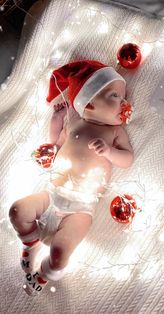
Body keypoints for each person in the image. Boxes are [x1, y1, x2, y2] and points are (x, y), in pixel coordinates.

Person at [9, 60, 134, 296]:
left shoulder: (115, 132)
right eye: (116, 96)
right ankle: (31, 242)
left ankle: (45, 274)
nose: (125, 103)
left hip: (81, 207)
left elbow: (127, 159)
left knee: (60, 252)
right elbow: (56, 143)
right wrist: (56, 120)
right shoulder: (76, 122)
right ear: (89, 104)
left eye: (124, 96)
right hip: (52, 194)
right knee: (17, 211)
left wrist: (109, 152)